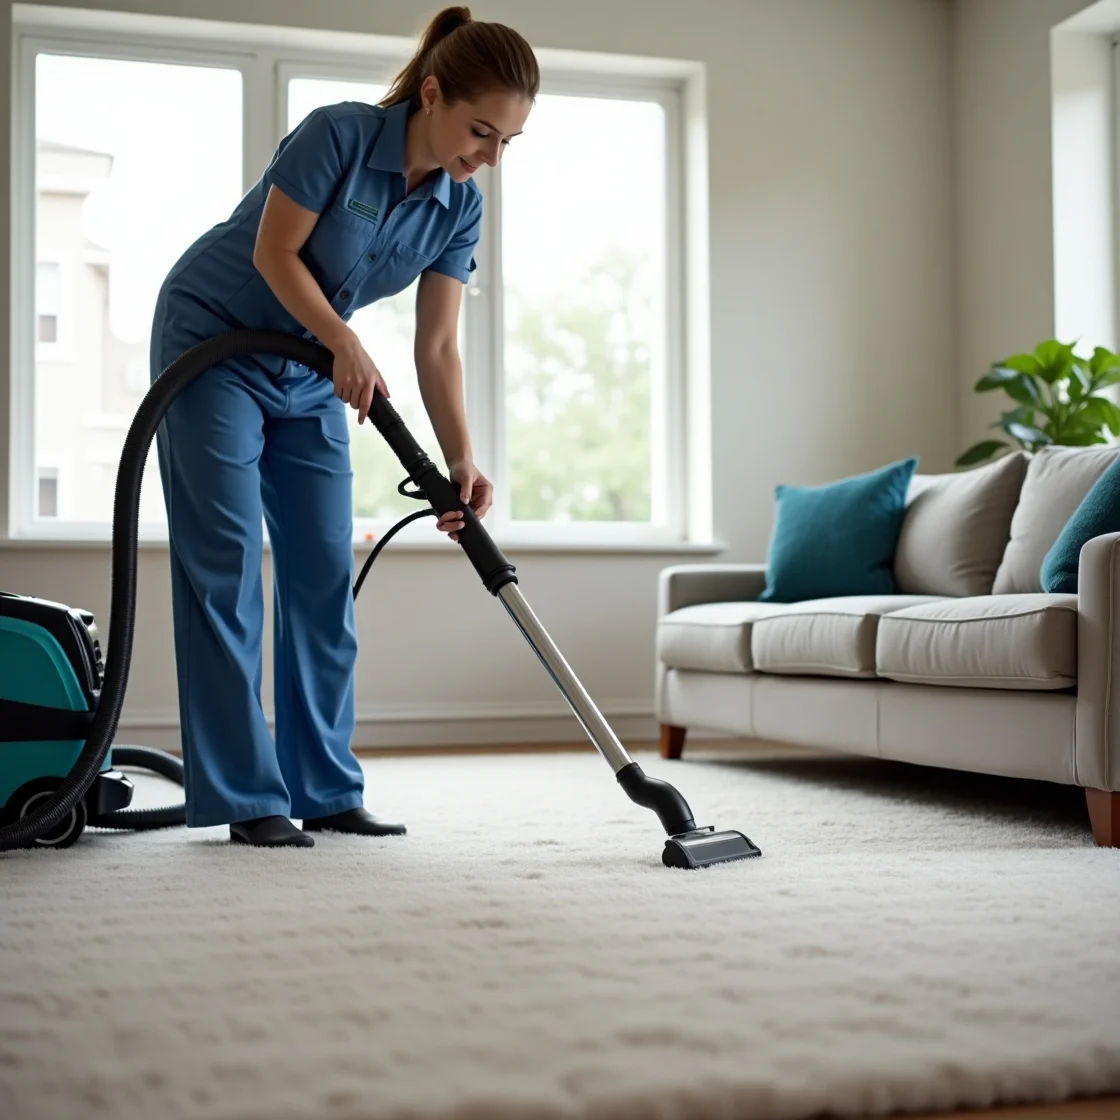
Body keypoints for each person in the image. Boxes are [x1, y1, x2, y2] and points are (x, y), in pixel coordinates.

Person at [149, 7, 537, 848]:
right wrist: (344, 338)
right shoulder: (337, 136)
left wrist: (460, 458)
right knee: (225, 572)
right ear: (432, 95)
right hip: (214, 342)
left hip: (310, 371)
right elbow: (273, 254)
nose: (489, 158)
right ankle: (249, 799)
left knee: (324, 576)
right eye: (481, 131)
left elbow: (437, 347)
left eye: (508, 142)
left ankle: (324, 787)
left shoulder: (457, 209)